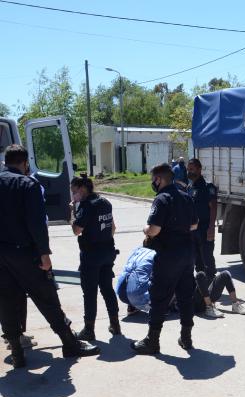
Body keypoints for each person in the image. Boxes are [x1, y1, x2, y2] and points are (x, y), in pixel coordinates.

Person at [0, 145, 99, 368]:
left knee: (6, 300)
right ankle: (69, 343)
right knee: (46, 298)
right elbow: (36, 223)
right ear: (25, 163)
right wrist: (44, 254)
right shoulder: (28, 183)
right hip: (25, 253)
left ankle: (17, 353)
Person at [132, 163, 198, 355]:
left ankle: (152, 341)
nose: (153, 183)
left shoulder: (161, 199)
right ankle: (186, 337)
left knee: (159, 296)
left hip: (169, 255)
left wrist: (146, 229)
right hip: (187, 253)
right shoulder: (186, 197)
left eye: (154, 179)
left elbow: (154, 230)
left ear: (159, 179)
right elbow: (194, 225)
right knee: (185, 296)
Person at [186, 158, 245, 317]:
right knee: (198, 265)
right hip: (192, 233)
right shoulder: (189, 188)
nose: (190, 171)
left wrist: (211, 228)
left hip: (205, 231)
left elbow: (213, 207)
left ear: (200, 169)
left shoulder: (208, 188)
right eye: (188, 169)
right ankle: (204, 291)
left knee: (209, 266)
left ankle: (211, 291)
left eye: (192, 168)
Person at [70, 174, 121, 340]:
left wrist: (72, 211)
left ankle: (89, 329)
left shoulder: (86, 205)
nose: (73, 195)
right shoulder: (105, 202)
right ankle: (115, 324)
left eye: (74, 191)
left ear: (83, 189)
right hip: (107, 252)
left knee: (90, 292)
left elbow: (76, 230)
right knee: (107, 288)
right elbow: (113, 227)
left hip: (91, 255)